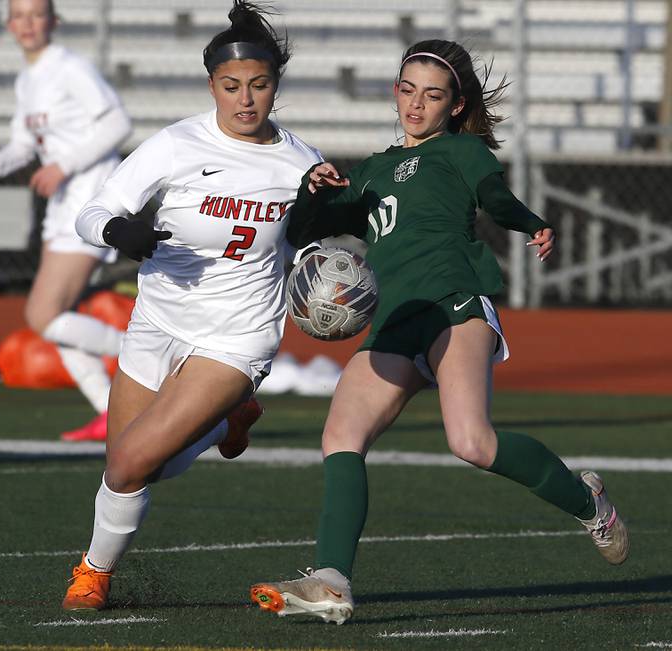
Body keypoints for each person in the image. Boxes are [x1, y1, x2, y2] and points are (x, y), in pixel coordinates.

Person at [250, 39, 629, 625]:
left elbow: (496, 198)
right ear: (393, 92)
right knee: (340, 437)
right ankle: (331, 579)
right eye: (408, 90)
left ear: (455, 105)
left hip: (455, 306)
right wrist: (313, 189)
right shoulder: (372, 171)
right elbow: (307, 226)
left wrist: (532, 223)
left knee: (471, 443)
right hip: (396, 321)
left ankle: (589, 502)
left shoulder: (461, 150)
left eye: (433, 94)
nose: (417, 104)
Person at [61, 1, 323, 611]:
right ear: (212, 86)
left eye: (259, 86)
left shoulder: (300, 162)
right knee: (130, 470)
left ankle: (93, 573)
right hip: (157, 323)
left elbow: (319, 242)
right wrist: (118, 233)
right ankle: (225, 426)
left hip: (238, 336)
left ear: (275, 87)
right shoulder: (176, 144)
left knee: (129, 461)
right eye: (231, 86)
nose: (246, 99)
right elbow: (92, 213)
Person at [0, 0, 132, 441]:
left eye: (37, 14)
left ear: (54, 21)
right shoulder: (27, 80)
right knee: (55, 315)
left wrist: (64, 165)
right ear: (9, 24)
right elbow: (20, 146)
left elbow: (117, 125)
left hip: (88, 202)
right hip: (62, 205)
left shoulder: (70, 67)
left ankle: (152, 357)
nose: (27, 24)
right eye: (19, 15)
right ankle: (111, 412)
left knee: (42, 314)